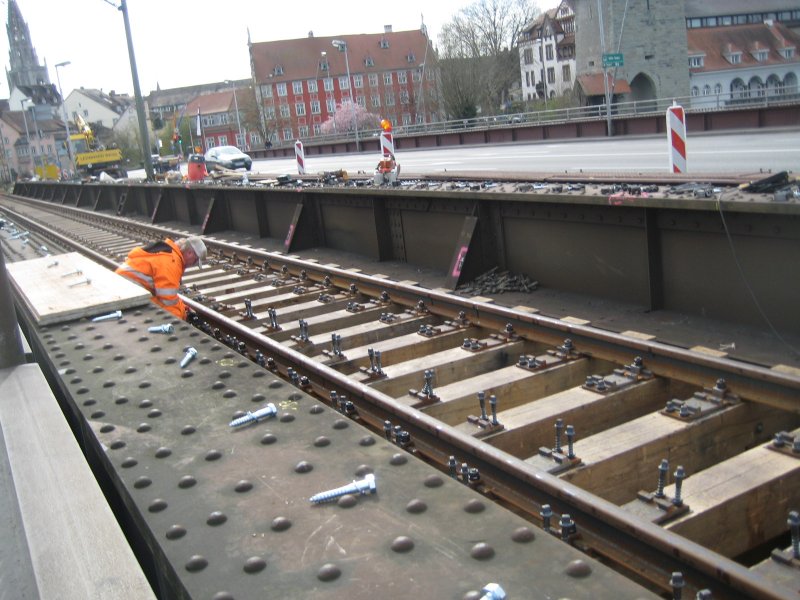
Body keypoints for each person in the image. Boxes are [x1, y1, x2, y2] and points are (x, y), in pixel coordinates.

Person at [116, 236, 207, 320]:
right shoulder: (171, 262)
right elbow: (168, 302)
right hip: (124, 295)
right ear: (189, 253)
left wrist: (183, 306)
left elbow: (166, 296)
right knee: (174, 315)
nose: (193, 264)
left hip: (124, 288)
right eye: (195, 260)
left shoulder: (169, 253)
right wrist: (183, 316)